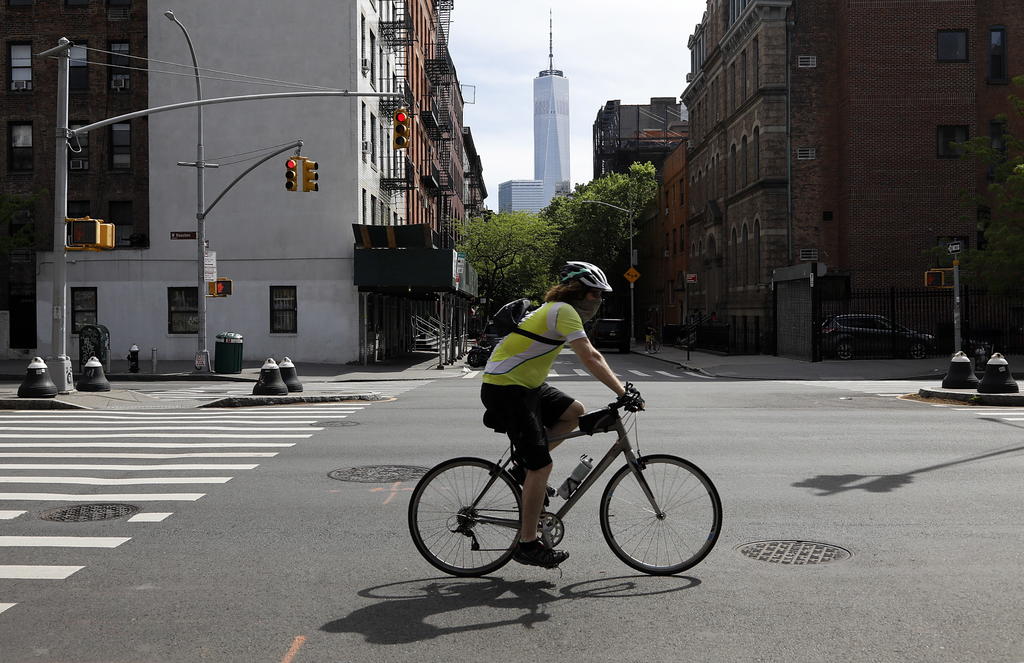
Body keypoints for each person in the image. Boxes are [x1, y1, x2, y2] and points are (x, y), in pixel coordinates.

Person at [480, 261, 641, 569]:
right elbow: (589, 356)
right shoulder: (563, 311)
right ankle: (527, 543)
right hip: (506, 389)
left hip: (524, 386)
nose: (599, 300)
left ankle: (523, 468)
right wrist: (622, 393)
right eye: (595, 294)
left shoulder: (556, 309)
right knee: (543, 466)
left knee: (574, 413)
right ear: (578, 292)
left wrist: (621, 391)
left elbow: (593, 353)